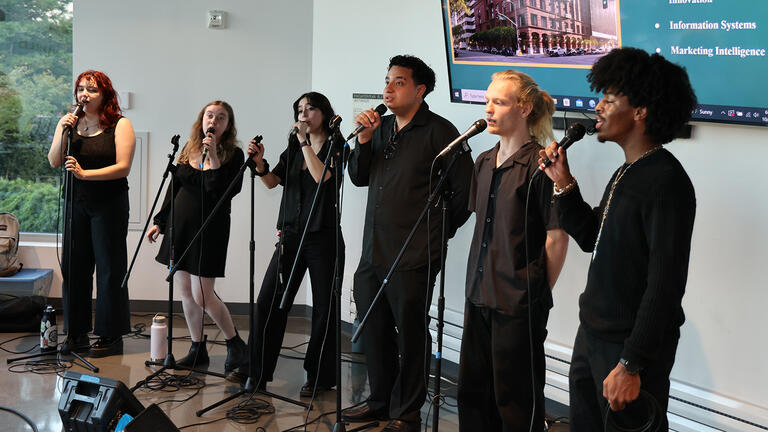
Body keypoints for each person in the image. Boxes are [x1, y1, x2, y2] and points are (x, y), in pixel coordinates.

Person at [539, 47, 697, 430]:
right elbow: (593, 237)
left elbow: (665, 285)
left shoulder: (666, 182)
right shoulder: (627, 171)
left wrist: (631, 363)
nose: (598, 108)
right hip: (592, 337)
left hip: (626, 353)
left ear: (640, 111)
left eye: (609, 100)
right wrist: (563, 184)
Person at [343, 55, 474, 432]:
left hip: (415, 254)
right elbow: (357, 176)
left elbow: (464, 195)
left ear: (420, 90)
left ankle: (406, 412)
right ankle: (380, 402)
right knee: (375, 328)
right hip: (374, 250)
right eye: (387, 80)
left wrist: (434, 234)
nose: (388, 87)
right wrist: (364, 141)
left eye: (398, 82)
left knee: (411, 332)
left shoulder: (440, 132)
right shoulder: (379, 128)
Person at [457, 70, 569, 431]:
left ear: (523, 108)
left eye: (499, 102)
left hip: (518, 303)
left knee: (517, 401)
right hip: (478, 295)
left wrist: (535, 293)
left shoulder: (541, 165)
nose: (488, 109)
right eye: (487, 101)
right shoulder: (484, 161)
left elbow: (557, 238)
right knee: (473, 396)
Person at [228, 92, 344, 398]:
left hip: (323, 237)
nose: (303, 115)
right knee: (268, 302)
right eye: (299, 110)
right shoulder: (294, 145)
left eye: (310, 109)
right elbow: (272, 181)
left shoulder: (337, 143)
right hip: (291, 235)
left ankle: (319, 376)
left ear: (324, 112)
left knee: (324, 309)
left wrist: (306, 143)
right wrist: (259, 164)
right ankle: (257, 371)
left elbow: (324, 178)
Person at [147, 101, 247, 373]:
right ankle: (196, 348)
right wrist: (160, 221)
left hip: (209, 230)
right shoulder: (188, 149)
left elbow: (220, 190)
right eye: (209, 116)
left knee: (203, 295)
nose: (213, 121)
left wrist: (213, 155)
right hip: (180, 228)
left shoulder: (235, 156)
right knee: (185, 293)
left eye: (221, 117)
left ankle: (235, 343)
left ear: (228, 125)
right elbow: (174, 188)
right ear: (202, 120)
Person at [48, 70, 135, 358]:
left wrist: (86, 174)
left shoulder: (120, 125)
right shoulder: (69, 123)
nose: (84, 94)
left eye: (92, 90)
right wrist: (63, 130)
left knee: (110, 270)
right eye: (81, 89)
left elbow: (123, 167)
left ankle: (111, 335)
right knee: (74, 268)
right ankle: (76, 332)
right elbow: (53, 161)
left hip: (109, 205)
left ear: (105, 95)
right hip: (76, 203)